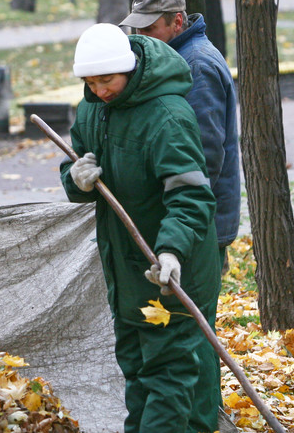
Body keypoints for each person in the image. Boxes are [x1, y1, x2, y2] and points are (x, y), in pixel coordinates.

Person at [59, 23, 221, 432]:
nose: (99, 90)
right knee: (136, 368)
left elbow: (191, 198)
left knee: (169, 375)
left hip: (170, 269)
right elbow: (75, 160)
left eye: (106, 80)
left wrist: (171, 250)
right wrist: (75, 178)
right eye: (90, 82)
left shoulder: (167, 117)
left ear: (128, 68)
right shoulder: (92, 109)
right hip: (126, 269)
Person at [120, 0, 240, 276]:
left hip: (197, 220)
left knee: (189, 312)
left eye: (149, 29)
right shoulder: (171, 60)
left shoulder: (195, 65)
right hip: (185, 217)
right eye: (137, 30)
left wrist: (182, 219)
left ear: (177, 22)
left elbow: (204, 155)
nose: (141, 38)